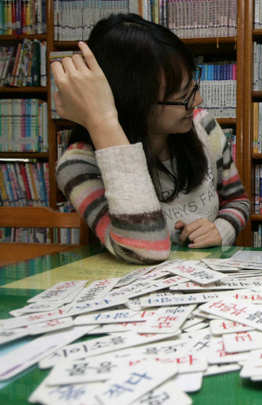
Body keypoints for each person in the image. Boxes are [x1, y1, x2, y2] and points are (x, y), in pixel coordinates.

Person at [52, 14, 250, 264]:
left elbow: (237, 200)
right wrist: (103, 122)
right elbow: (146, 248)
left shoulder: (203, 124)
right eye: (183, 95)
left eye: (193, 88)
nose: (197, 102)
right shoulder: (78, 165)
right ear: (136, 103)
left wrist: (221, 229)